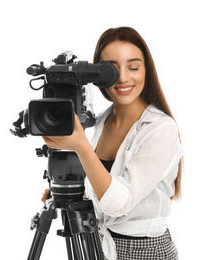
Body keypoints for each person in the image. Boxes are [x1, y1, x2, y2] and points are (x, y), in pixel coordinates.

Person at [42, 27, 183, 260]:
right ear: (96, 75)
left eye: (134, 67)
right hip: (100, 244)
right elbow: (104, 185)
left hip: (145, 252)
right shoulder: (103, 120)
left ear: (147, 70)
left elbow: (120, 203)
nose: (124, 77)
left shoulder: (160, 129)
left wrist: (81, 146)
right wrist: (69, 193)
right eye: (111, 70)